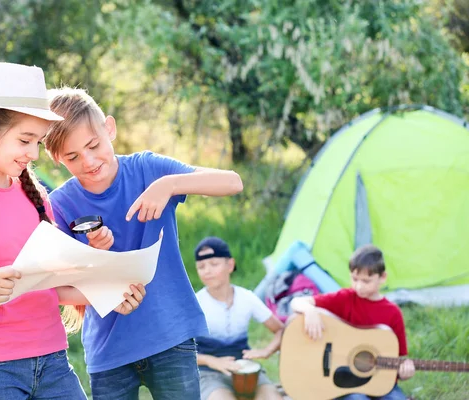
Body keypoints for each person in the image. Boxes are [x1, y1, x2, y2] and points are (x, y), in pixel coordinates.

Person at [0, 62, 145, 400]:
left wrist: (110, 295)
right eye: (25, 140)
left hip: (53, 362)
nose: (34, 154)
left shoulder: (36, 198)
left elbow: (51, 288)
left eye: (38, 142)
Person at [43, 87, 243, 399]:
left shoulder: (147, 170)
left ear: (109, 128)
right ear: (55, 158)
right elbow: (52, 286)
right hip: (109, 352)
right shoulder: (60, 205)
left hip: (171, 337)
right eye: (72, 156)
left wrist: (168, 184)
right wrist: (101, 278)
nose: (89, 161)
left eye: (94, 145)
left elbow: (232, 182)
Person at [290, 244, 415, 400]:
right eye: (354, 279)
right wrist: (310, 311)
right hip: (344, 381)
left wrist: (404, 373)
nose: (359, 286)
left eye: (366, 281)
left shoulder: (393, 313)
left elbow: (396, 360)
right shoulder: (345, 298)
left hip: (380, 383)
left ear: (382, 277)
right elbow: (297, 302)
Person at [194, 236, 284, 400]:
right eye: (201, 267)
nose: (207, 270)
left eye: (214, 264)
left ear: (230, 264)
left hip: (245, 369)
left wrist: (267, 351)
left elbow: (280, 329)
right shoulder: (195, 303)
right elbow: (177, 351)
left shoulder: (247, 298)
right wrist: (211, 361)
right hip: (209, 373)